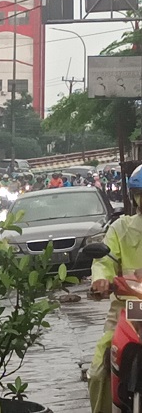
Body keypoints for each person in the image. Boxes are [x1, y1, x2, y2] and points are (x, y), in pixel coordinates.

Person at [88, 165, 142, 412]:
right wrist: (101, 281)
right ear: (134, 197)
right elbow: (103, 261)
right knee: (99, 371)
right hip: (129, 310)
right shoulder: (120, 228)